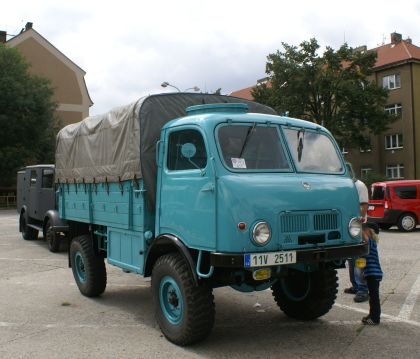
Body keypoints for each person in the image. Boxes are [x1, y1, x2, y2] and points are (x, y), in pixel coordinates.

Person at [344, 169, 369, 302]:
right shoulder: (347, 186)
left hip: (359, 228)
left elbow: (363, 206)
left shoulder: (359, 185)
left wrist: (359, 224)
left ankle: (363, 290)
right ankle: (355, 285)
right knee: (352, 259)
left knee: (360, 260)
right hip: (351, 228)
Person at [361, 224, 383, 325]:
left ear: (369, 233)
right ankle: (372, 315)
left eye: (364, 231)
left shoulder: (370, 242)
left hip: (373, 274)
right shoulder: (371, 244)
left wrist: (357, 226)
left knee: (374, 297)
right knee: (372, 296)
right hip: (372, 274)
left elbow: (363, 236)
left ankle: (375, 318)